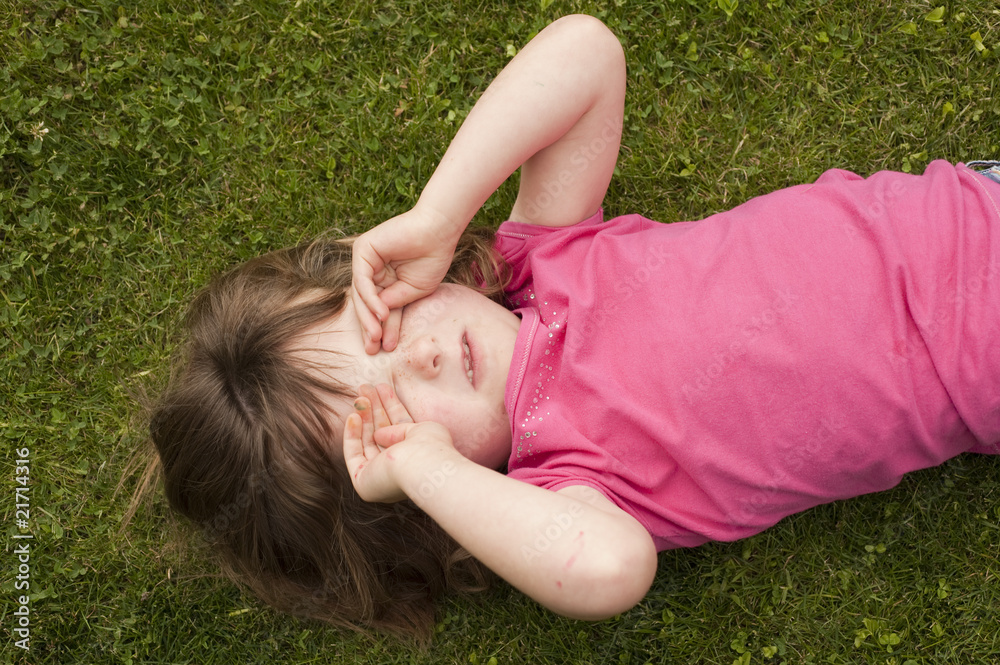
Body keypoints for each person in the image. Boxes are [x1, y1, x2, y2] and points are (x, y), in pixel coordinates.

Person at [147, 14, 1000, 643]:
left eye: (383, 330)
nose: (428, 352)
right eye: (393, 407)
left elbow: (587, 52)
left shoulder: (543, 257)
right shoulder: (568, 479)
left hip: (968, 201)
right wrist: (427, 466)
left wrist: (439, 214)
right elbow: (610, 571)